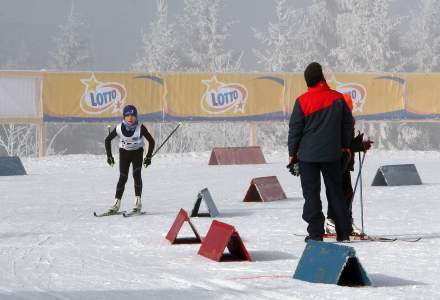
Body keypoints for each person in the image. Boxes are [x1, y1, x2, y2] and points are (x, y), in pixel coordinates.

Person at [287, 62, 353, 242]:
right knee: (335, 192)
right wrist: (345, 146)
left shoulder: (302, 101)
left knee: (311, 194)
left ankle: (316, 234)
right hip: (332, 155)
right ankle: (343, 232)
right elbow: (348, 124)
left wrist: (292, 154)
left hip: (307, 157)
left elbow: (295, 130)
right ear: (322, 78)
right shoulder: (338, 98)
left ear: (308, 81)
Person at [325, 94, 373, 236]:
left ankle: (346, 221)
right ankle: (331, 221)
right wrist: (360, 145)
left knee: (346, 192)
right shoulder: (338, 120)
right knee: (339, 192)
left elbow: (347, 143)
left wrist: (360, 145)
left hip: (345, 161)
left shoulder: (345, 118)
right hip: (337, 161)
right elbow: (342, 143)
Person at [104, 105, 155, 214]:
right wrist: (109, 157)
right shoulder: (119, 128)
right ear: (124, 117)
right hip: (124, 153)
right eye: (127, 115)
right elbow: (107, 140)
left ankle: (137, 203)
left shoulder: (140, 128)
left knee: (136, 175)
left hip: (137, 153)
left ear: (136, 117)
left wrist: (148, 157)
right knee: (123, 177)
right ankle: (116, 204)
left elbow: (151, 141)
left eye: (132, 115)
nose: (130, 118)